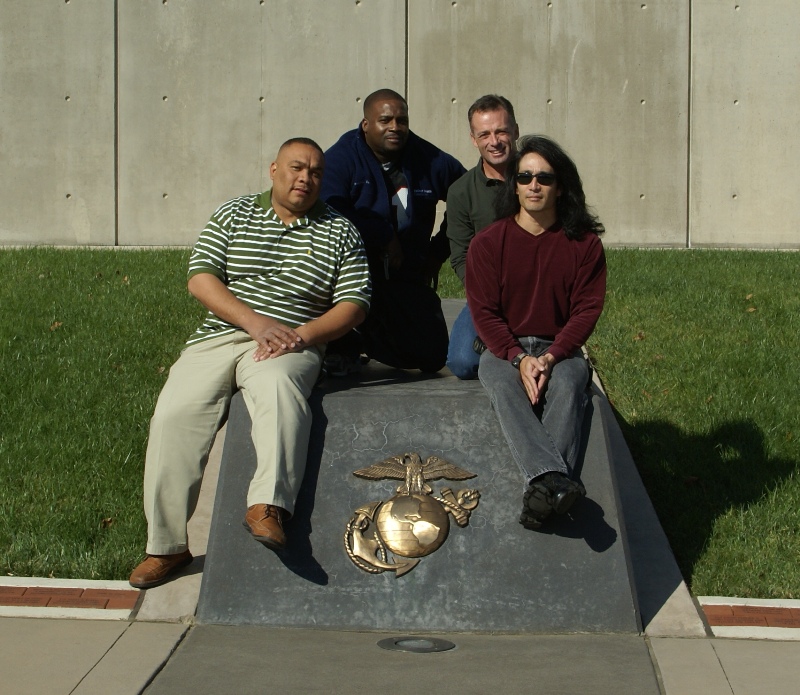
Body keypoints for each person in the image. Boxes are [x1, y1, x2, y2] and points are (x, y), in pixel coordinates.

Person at [129, 138, 371, 589]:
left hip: (292, 344)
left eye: (316, 172)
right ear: (274, 169)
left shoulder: (340, 230)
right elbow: (201, 279)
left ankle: (268, 507)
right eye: (297, 168)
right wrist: (255, 323)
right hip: (222, 335)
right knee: (173, 416)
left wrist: (302, 336)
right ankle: (166, 547)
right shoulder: (233, 213)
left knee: (281, 394)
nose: (306, 178)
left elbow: (354, 303)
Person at [465, 135, 606, 530]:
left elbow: (586, 310)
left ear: (561, 187)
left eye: (544, 178)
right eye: (525, 176)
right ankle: (553, 483)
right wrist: (518, 358)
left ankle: (542, 490)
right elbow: (485, 313)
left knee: (571, 380)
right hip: (503, 348)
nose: (533, 185)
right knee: (501, 382)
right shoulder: (488, 244)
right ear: (514, 185)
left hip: (559, 349)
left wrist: (550, 356)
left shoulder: (584, 245)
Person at [321, 88, 466, 374]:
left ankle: (368, 337)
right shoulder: (342, 158)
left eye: (402, 120)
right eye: (385, 120)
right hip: (351, 277)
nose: (395, 128)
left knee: (432, 355)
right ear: (366, 125)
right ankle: (341, 340)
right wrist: (383, 235)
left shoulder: (429, 159)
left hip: (405, 275)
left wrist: (437, 252)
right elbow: (329, 208)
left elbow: (466, 201)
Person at [446, 95, 519, 379]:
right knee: (462, 362)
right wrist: (486, 301)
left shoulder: (538, 178)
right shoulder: (461, 192)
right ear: (473, 139)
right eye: (484, 134)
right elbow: (461, 257)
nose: (495, 141)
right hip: (488, 296)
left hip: (538, 292)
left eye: (501, 131)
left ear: (515, 130)